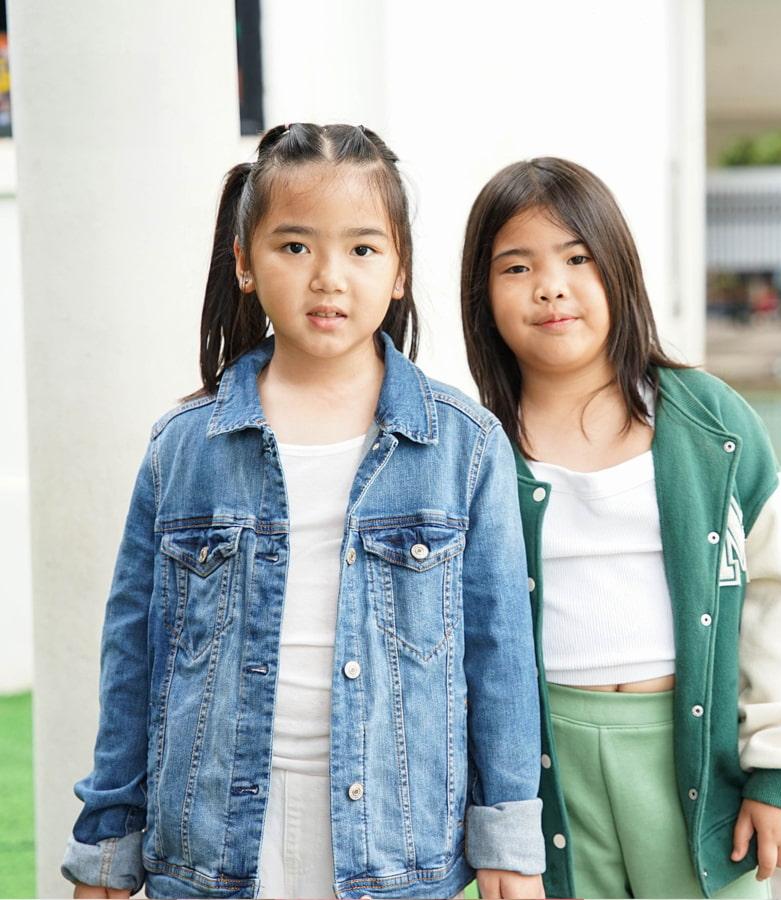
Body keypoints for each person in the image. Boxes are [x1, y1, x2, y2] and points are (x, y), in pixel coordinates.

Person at [60, 123, 546, 900]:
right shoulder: (182, 448)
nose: (328, 277)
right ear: (244, 263)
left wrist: (510, 843)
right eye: (295, 247)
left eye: (361, 250)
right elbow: (134, 660)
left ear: (399, 272)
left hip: (397, 837)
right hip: (214, 838)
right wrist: (109, 849)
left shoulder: (465, 447)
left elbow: (500, 658)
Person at [459, 157, 781, 899]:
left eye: (578, 258)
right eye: (516, 266)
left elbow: (777, 595)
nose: (551, 286)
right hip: (548, 767)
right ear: (482, 293)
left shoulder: (710, 421)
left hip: (694, 756)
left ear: (620, 271)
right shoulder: (473, 447)